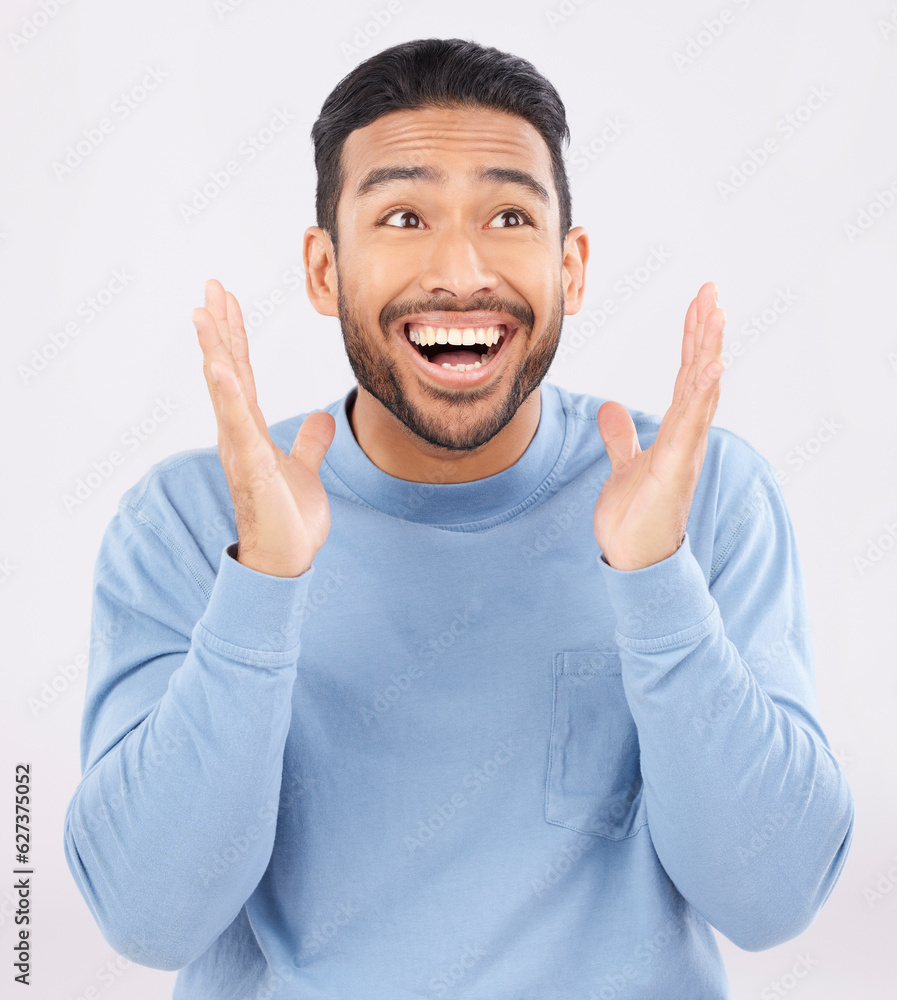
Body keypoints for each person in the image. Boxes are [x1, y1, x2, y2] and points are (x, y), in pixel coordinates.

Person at [63, 37, 854, 999]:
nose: (462, 270)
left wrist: (657, 585)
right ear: (324, 270)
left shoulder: (703, 497)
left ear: (572, 264)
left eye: (509, 216)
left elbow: (771, 902)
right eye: (403, 215)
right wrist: (262, 584)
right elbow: (147, 918)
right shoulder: (189, 521)